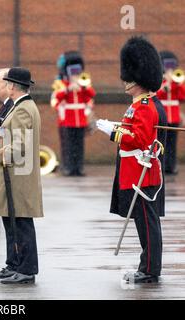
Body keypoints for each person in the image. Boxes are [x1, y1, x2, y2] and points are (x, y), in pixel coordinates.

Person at [96, 36, 167, 283]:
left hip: (141, 172)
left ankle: (149, 270)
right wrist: (116, 127)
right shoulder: (136, 106)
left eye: (129, 78)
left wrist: (113, 133)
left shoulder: (145, 106)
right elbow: (133, 130)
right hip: (132, 170)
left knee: (147, 224)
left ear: (139, 80)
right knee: (142, 223)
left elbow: (138, 138)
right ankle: (146, 266)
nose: (125, 81)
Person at [0, 67, 43, 284]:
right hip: (13, 176)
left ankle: (26, 269)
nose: (5, 86)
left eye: (7, 83)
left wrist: (0, 153)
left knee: (22, 222)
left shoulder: (24, 109)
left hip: (18, 176)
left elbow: (21, 144)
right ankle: (15, 264)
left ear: (13, 86)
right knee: (13, 221)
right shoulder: (20, 107)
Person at [51, 51, 96, 176]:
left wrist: (84, 87)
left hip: (80, 120)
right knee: (68, 146)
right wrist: (67, 89)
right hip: (67, 120)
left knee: (79, 146)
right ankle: (68, 168)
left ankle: (78, 168)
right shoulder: (60, 84)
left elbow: (91, 96)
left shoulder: (84, 84)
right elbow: (55, 100)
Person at [156, 51, 185, 175]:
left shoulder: (176, 82)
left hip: (174, 117)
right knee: (162, 143)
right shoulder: (160, 82)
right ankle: (161, 165)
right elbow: (157, 96)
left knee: (172, 144)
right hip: (163, 116)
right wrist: (166, 84)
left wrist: (177, 84)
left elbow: (182, 97)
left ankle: (171, 166)